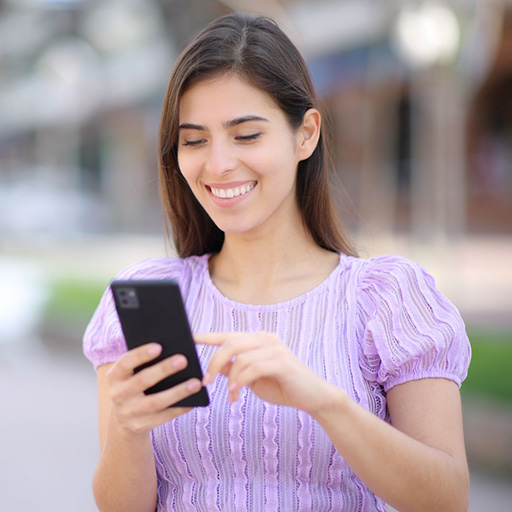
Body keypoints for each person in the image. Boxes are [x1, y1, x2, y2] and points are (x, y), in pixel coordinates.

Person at [83, 12, 471, 512]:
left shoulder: (387, 297)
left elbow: (447, 499)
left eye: (246, 135)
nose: (218, 163)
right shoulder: (152, 297)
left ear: (305, 134)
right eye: (195, 140)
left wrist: (322, 400)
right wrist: (128, 430)